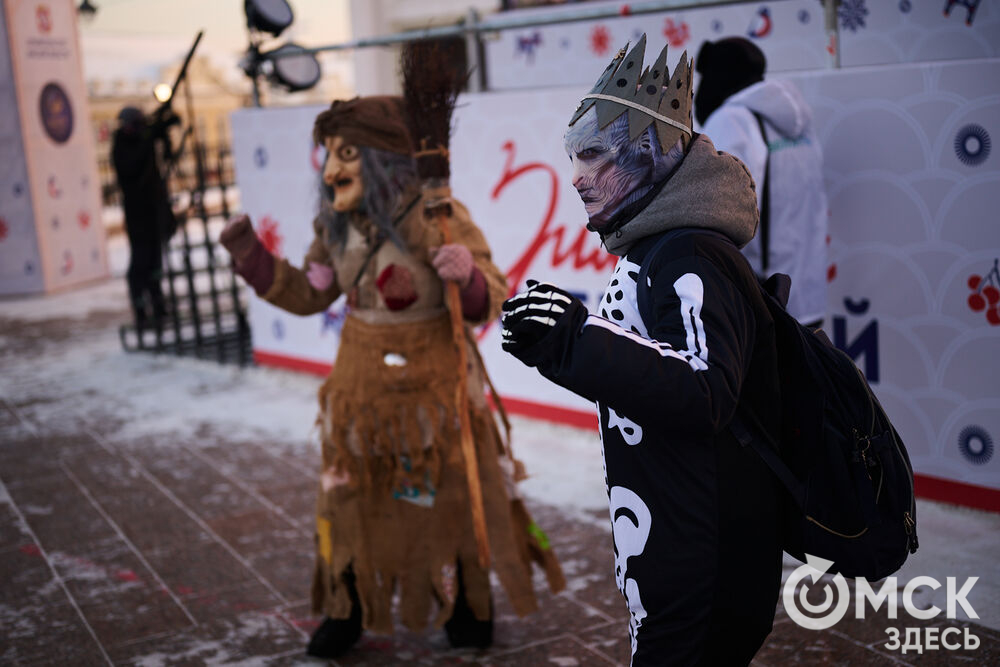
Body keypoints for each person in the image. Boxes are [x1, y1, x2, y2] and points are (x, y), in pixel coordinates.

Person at [219, 96, 564, 659]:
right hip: (361, 393)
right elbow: (308, 292)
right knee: (349, 497)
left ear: (382, 157)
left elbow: (490, 294)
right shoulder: (334, 227)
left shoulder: (438, 214)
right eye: (328, 154)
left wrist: (468, 276)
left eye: (347, 153)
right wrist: (250, 254)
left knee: (452, 492)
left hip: (437, 387)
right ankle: (347, 610)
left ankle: (470, 606)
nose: (331, 170)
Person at [501, 36, 782, 665]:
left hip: (704, 553)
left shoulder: (691, 254)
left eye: (594, 155)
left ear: (652, 153)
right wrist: (563, 343)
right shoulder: (656, 248)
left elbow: (706, 392)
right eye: (571, 157)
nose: (575, 178)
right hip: (673, 545)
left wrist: (572, 339)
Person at [695, 36, 828, 327]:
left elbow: (718, 211)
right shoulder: (796, 122)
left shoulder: (731, 120)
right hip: (805, 291)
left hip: (761, 297)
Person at [111, 105, 179, 328]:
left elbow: (158, 142)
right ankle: (140, 309)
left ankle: (159, 306)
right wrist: (149, 136)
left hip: (154, 210)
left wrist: (163, 128)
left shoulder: (143, 139)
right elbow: (132, 165)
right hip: (138, 215)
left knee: (156, 262)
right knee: (141, 262)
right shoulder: (122, 146)